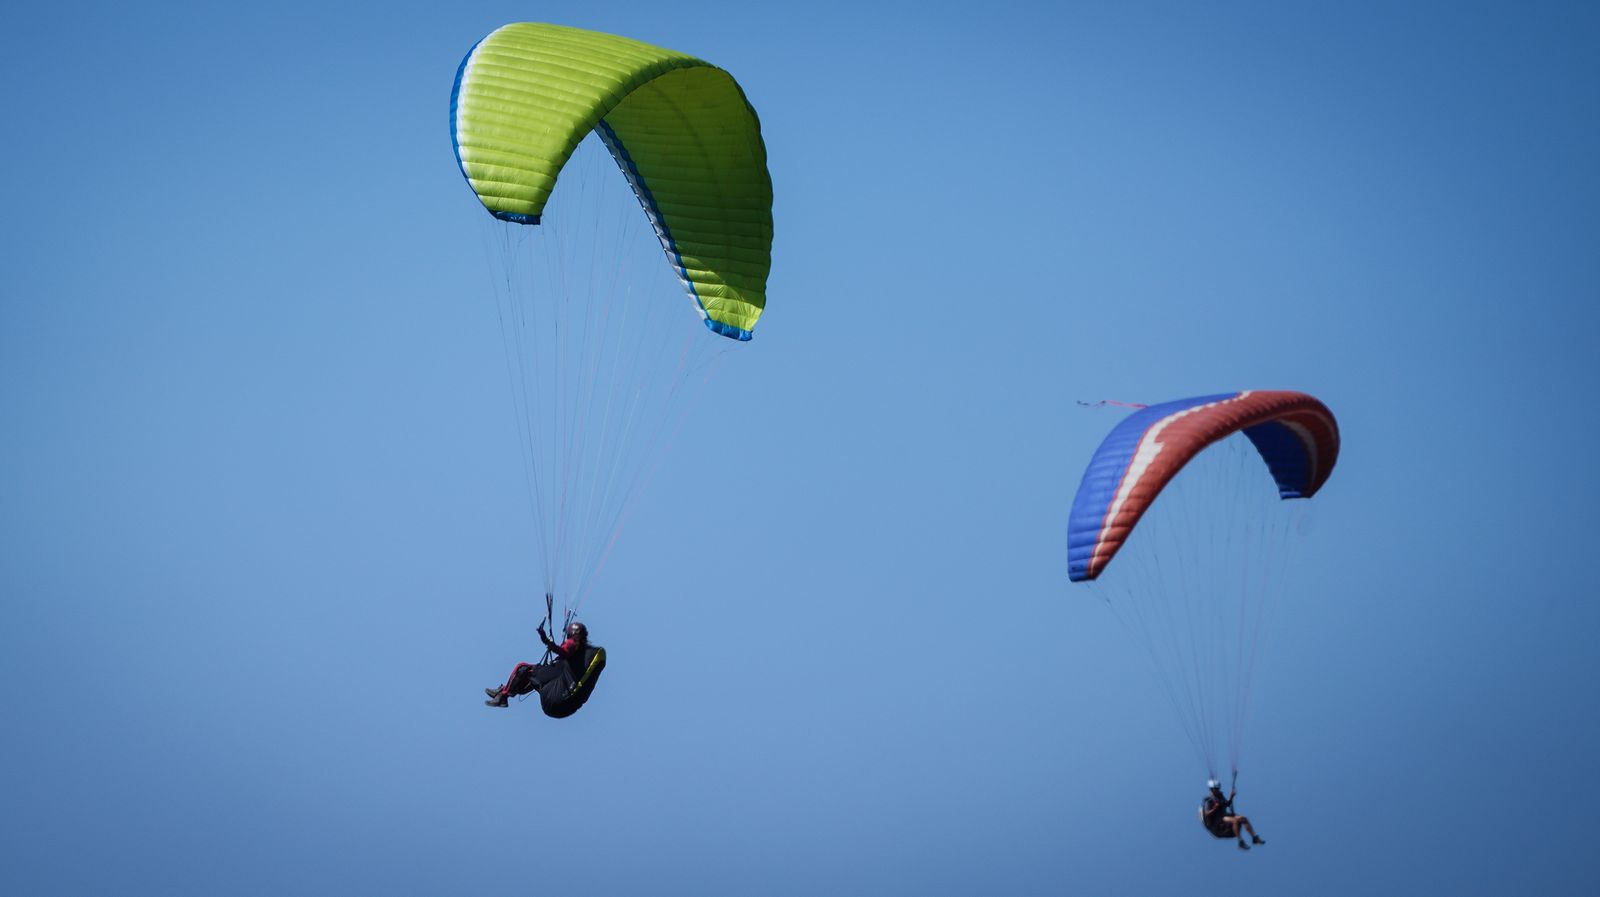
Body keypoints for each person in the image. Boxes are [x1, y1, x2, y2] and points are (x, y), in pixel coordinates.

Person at [485, 621, 591, 708]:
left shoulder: (572, 643)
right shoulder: (581, 649)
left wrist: (546, 640)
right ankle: (503, 692)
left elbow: (563, 651)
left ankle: (503, 695)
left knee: (521, 667)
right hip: (556, 676)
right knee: (525, 671)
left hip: (555, 675)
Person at [1200, 780, 1265, 850]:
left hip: (1223, 816)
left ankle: (1254, 838)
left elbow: (1227, 804)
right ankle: (1241, 842)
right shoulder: (1209, 799)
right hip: (1217, 822)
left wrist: (1231, 797)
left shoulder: (1220, 796)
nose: (1217, 790)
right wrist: (1215, 808)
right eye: (1215, 789)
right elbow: (1207, 813)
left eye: (1218, 788)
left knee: (1244, 819)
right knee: (1235, 821)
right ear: (1211, 789)